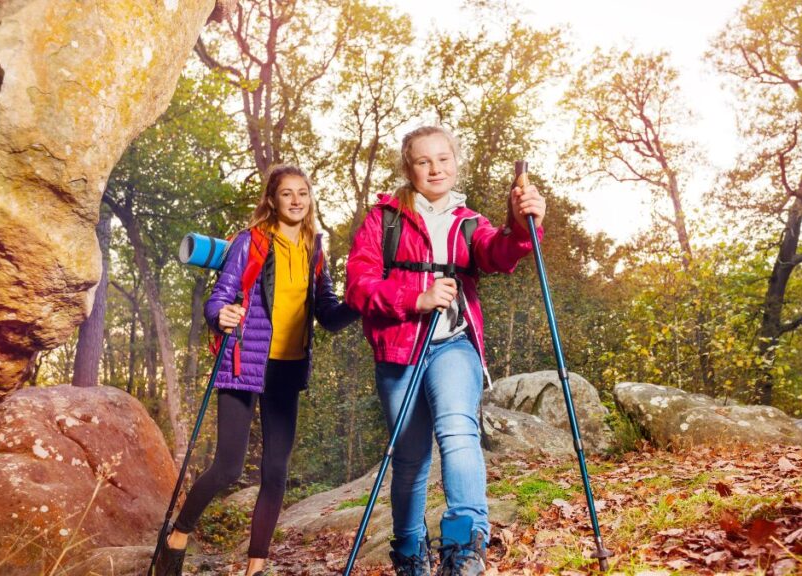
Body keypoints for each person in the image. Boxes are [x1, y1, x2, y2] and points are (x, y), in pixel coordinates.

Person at [345, 126, 546, 575]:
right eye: (423, 161)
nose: (436, 168)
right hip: (399, 352)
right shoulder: (384, 220)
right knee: (411, 457)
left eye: (444, 158)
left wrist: (520, 222)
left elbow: (499, 253)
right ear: (408, 168)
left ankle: (463, 546)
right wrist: (413, 298)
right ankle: (410, 551)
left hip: (453, 345)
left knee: (458, 431)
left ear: (456, 162)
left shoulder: (467, 221)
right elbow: (358, 286)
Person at [155, 165, 359, 576]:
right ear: (272, 199)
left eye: (303, 192)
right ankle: (177, 537)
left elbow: (329, 314)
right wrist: (221, 316)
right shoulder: (250, 242)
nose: (297, 200)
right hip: (243, 361)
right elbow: (221, 297)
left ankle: (256, 567)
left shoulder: (315, 248)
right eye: (288, 193)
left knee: (276, 470)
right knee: (229, 467)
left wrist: (364, 298)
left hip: (288, 368)